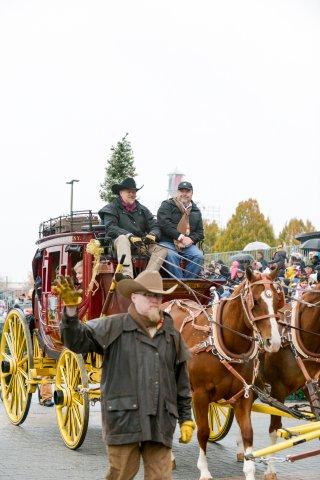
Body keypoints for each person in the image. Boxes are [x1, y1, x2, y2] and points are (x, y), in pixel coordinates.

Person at [52, 271, 195, 480]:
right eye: (149, 295)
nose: (155, 300)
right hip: (123, 420)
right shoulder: (113, 326)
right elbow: (76, 341)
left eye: (158, 296)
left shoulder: (172, 335)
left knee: (161, 477)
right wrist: (72, 311)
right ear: (134, 297)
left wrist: (186, 419)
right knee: (121, 475)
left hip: (160, 422)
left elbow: (181, 381)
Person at [99, 178, 167, 280]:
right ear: (121, 193)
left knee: (162, 249)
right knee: (123, 238)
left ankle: (146, 278)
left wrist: (153, 234)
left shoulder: (143, 210)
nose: (132, 194)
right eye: (129, 191)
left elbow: (155, 226)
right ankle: (127, 276)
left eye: (134, 192)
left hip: (139, 245)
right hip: (118, 244)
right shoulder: (111, 208)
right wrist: (129, 236)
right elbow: (111, 228)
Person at [157, 181, 204, 279]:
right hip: (168, 242)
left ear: (192, 193)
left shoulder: (196, 211)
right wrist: (180, 237)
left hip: (187, 245)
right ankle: (180, 283)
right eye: (181, 191)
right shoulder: (167, 205)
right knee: (171, 255)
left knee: (198, 255)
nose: (184, 194)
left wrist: (191, 239)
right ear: (177, 192)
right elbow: (164, 224)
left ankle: (189, 282)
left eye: (187, 191)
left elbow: (200, 232)